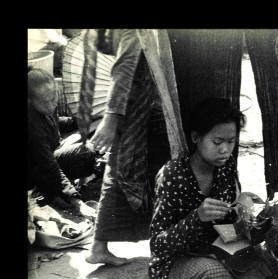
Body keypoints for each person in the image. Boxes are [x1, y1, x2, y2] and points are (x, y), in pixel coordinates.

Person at [149, 98, 269, 279]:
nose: (225, 149)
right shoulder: (173, 175)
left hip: (216, 250)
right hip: (177, 264)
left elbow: (231, 213)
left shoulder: (225, 166)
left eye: (231, 141)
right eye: (217, 142)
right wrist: (196, 218)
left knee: (262, 267)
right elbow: (157, 245)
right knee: (211, 276)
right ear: (196, 138)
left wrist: (244, 210)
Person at [85, 29, 170, 266]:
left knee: (119, 170)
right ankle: (163, 242)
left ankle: (99, 247)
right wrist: (111, 117)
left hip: (138, 106)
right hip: (136, 110)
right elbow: (123, 71)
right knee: (134, 172)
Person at [27, 67, 97, 219]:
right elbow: (50, 166)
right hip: (37, 172)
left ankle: (57, 191)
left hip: (50, 153)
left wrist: (80, 120)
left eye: (54, 99)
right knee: (85, 152)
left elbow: (56, 122)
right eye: (45, 102)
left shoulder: (45, 106)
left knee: (90, 133)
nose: (51, 105)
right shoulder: (32, 126)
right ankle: (49, 192)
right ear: (30, 101)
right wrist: (78, 202)